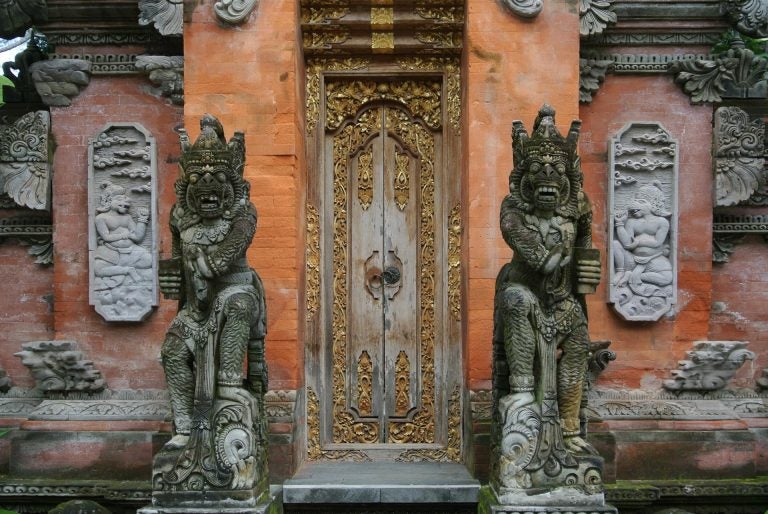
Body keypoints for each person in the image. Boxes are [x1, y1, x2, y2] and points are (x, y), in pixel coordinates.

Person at [493, 106, 601, 490]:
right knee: (516, 301)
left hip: (561, 300)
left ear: (568, 178)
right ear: (524, 178)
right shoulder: (513, 209)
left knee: (579, 339)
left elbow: (586, 248)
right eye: (538, 171)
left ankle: (569, 428)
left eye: (556, 172)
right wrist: (552, 256)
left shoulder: (578, 208)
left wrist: (587, 270)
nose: (547, 180)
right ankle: (523, 394)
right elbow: (528, 248)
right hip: (526, 292)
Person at [613, 181, 673, 294]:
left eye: (641, 202)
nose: (635, 204)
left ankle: (633, 275)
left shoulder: (662, 222)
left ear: (653, 204)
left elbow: (657, 242)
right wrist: (619, 223)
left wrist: (638, 242)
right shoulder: (631, 222)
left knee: (667, 278)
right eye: (635, 201)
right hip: (632, 259)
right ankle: (621, 271)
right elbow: (627, 243)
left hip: (654, 260)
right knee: (615, 244)